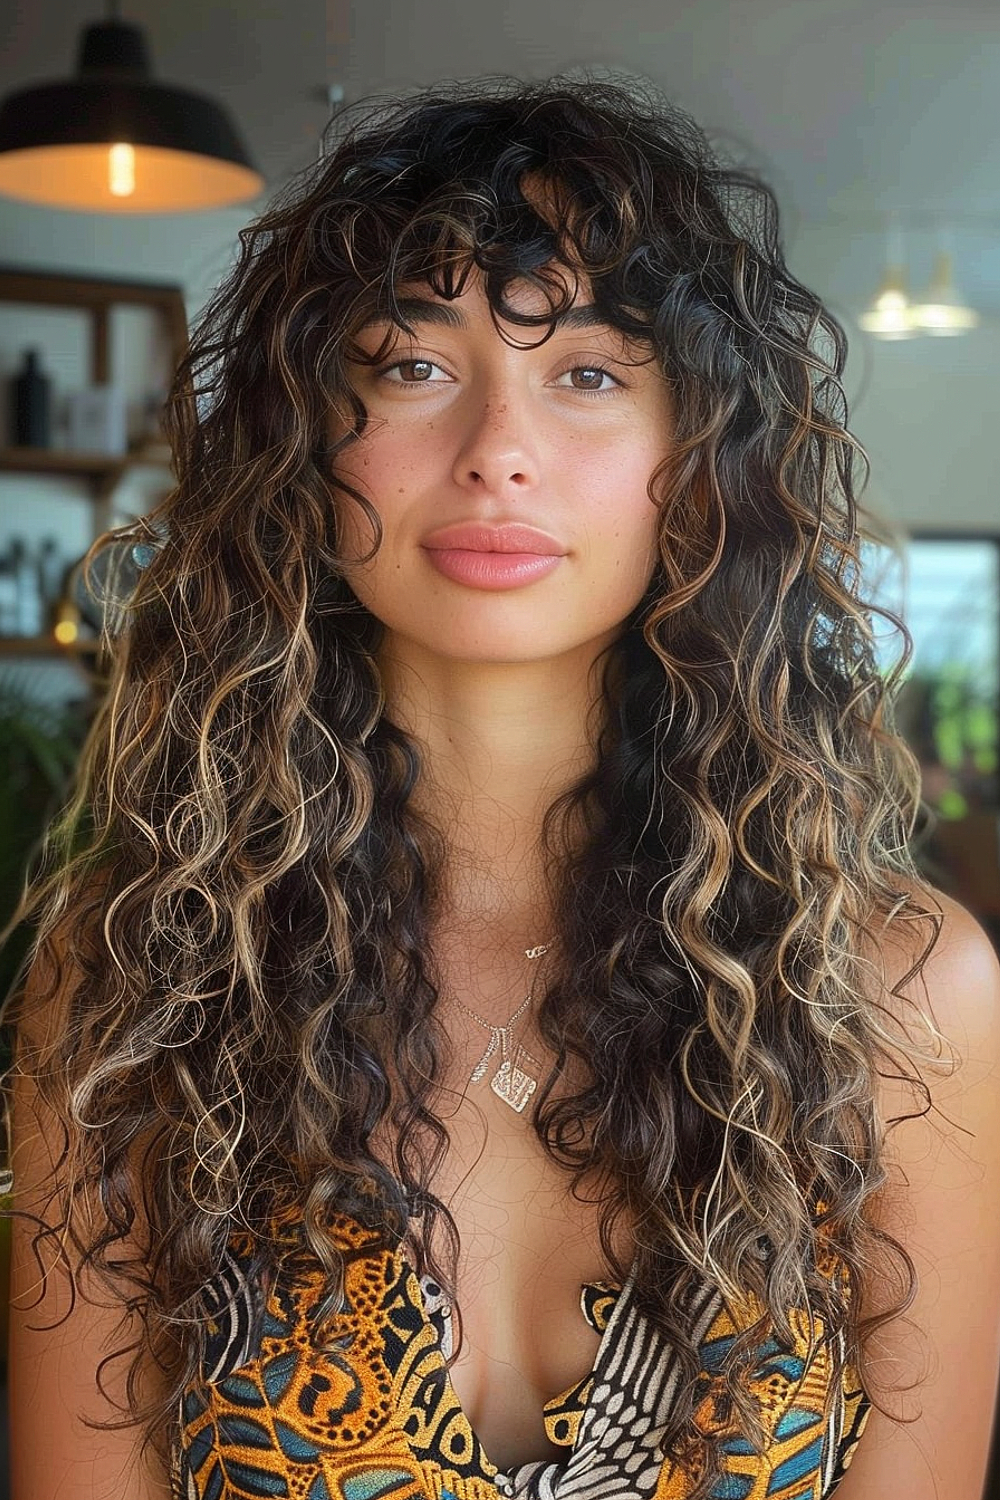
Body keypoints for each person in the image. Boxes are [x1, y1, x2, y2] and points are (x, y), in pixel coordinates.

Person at [3, 71, 999, 1500]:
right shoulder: (130, 990)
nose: (497, 453)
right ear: (304, 441)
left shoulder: (901, 996)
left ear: (698, 461)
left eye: (589, 374)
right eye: (410, 364)